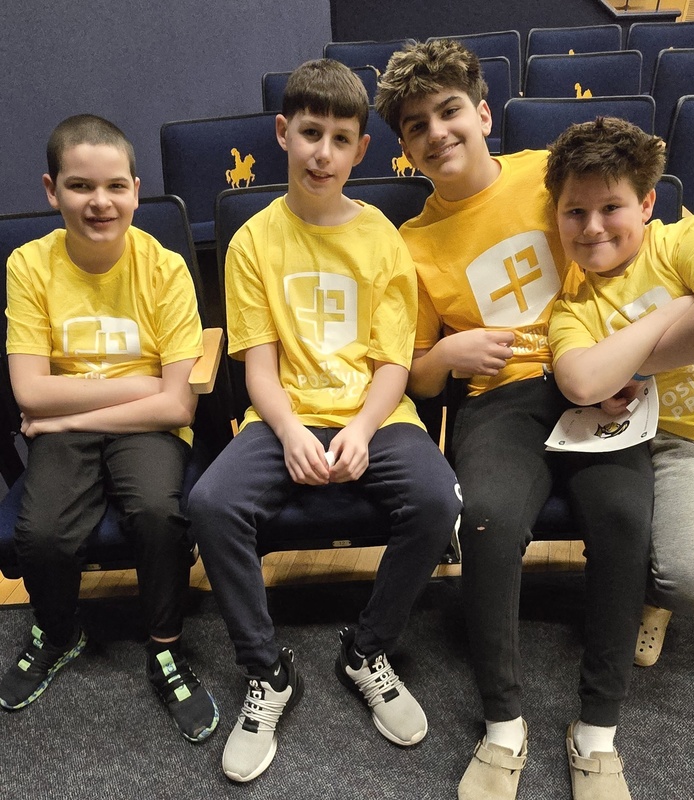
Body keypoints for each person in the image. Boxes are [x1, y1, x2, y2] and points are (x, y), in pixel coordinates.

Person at [376, 40, 655, 800]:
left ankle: (595, 733)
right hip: (493, 401)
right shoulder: (411, 243)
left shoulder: (546, 173)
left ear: (483, 112)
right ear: (402, 148)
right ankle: (504, 725)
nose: (436, 132)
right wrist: (452, 349)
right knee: (491, 520)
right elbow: (416, 371)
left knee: (625, 514)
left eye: (449, 110)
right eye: (414, 125)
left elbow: (639, 235)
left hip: (594, 380)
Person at [186, 59, 462, 783]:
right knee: (211, 505)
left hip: (377, 415)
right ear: (282, 133)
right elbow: (258, 368)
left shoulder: (381, 240)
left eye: (341, 139)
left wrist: (364, 429)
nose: (322, 153)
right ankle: (266, 670)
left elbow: (393, 366)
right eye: (309, 133)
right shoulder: (252, 241)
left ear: (360, 151)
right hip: (283, 416)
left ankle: (366, 649)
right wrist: (287, 431)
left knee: (439, 501)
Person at [0, 114, 219, 744]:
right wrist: (143, 383)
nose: (100, 202)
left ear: (135, 188)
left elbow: (178, 409)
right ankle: (58, 630)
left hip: (141, 429)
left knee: (158, 513)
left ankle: (165, 645)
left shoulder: (165, 267)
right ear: (51, 189)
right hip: (86, 424)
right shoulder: (28, 265)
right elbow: (27, 390)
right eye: (80, 186)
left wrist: (64, 411)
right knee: (38, 534)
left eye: (116, 186)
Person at [546, 116, 694, 676]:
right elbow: (580, 382)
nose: (593, 227)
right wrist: (680, 307)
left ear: (647, 203)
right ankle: (658, 597)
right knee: (693, 582)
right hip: (684, 445)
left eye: (611, 208)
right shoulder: (573, 307)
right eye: (576, 211)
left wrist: (627, 362)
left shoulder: (687, 238)